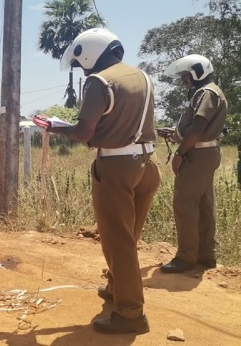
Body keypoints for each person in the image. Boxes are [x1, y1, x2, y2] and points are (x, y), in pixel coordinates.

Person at [41, 28, 159, 334]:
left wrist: (56, 127)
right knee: (128, 236)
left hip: (116, 166)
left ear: (90, 54)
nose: (84, 69)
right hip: (148, 164)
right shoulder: (143, 77)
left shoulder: (99, 82)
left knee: (117, 241)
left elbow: (83, 133)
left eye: (82, 64)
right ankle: (117, 287)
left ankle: (131, 315)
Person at [158, 54, 227, 274]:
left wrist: (179, 153)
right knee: (204, 204)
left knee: (185, 203)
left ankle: (186, 257)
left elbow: (198, 128)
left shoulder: (205, 92)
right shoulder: (211, 91)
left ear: (198, 72)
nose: (183, 80)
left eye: (186, 75)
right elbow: (196, 130)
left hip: (197, 156)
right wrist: (177, 134)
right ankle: (205, 255)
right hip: (206, 153)